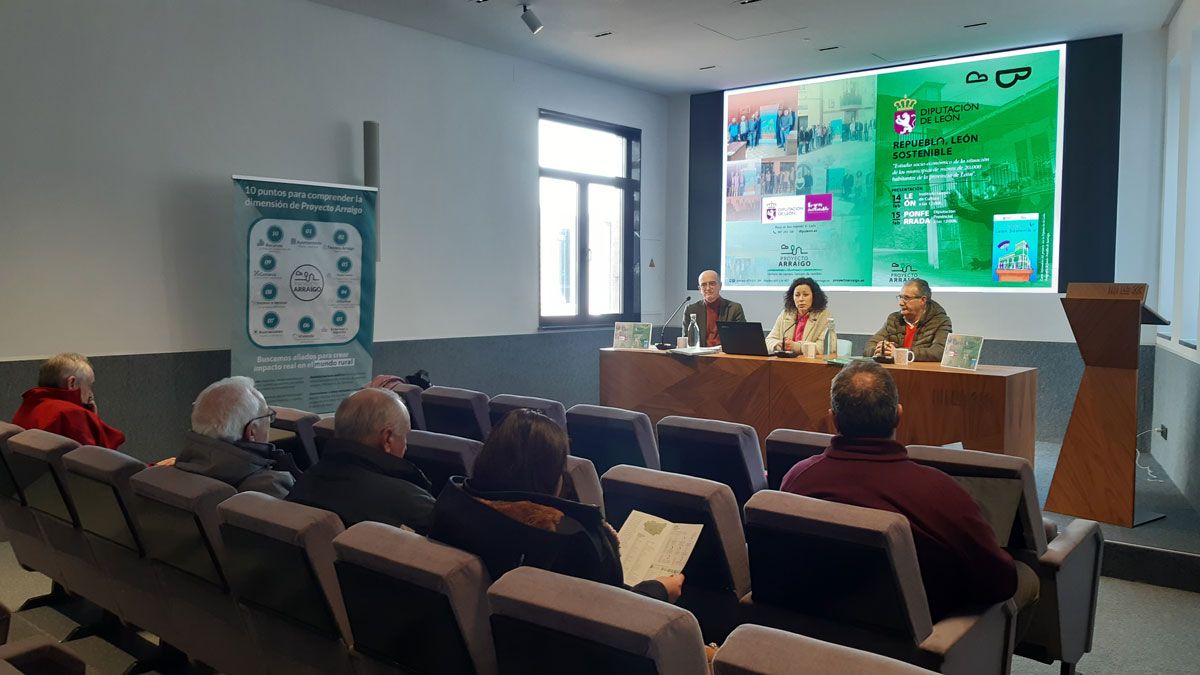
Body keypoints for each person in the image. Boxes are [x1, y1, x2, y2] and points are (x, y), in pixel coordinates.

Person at [780, 361, 1034, 622]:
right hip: (921, 643)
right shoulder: (941, 492)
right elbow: (999, 582)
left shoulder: (797, 480)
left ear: (833, 419)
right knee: (1027, 577)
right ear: (898, 415)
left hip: (818, 627)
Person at [431, 409, 684, 603]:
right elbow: (615, 616)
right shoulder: (572, 538)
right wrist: (659, 589)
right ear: (551, 475)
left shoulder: (455, 506)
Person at [286, 387, 435, 533]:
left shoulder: (303, 482)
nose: (405, 446)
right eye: (404, 437)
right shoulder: (411, 503)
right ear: (387, 439)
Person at [173, 376, 298, 498]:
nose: (270, 422)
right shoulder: (271, 487)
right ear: (252, 432)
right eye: (268, 416)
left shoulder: (175, 472)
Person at [12, 353, 126, 449]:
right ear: (72, 383)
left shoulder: (30, 404)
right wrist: (88, 418)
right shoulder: (71, 414)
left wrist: (91, 419)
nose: (91, 393)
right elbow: (98, 464)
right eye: (89, 385)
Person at [864, 278, 953, 362]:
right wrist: (880, 351)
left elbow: (940, 352)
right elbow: (869, 347)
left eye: (906, 298)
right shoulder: (894, 319)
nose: (901, 303)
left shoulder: (941, 321)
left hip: (923, 374)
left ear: (923, 300)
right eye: (900, 297)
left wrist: (899, 353)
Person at [765, 277, 836, 354]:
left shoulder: (824, 315)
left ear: (814, 297)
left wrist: (796, 346)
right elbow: (769, 340)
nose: (801, 299)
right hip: (786, 362)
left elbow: (827, 347)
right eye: (797, 295)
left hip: (810, 363)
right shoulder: (786, 313)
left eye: (805, 295)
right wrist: (778, 345)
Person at [685, 269, 746, 347]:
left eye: (712, 283)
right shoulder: (691, 310)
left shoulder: (734, 308)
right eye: (703, 285)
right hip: (699, 356)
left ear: (720, 286)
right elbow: (686, 340)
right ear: (700, 289)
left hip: (724, 356)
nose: (708, 288)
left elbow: (742, 339)